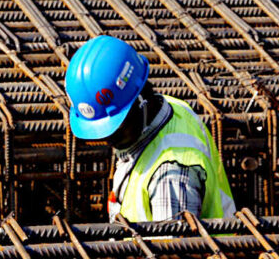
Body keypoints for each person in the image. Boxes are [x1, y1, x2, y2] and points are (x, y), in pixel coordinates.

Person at [65, 35, 236, 222]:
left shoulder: (170, 177)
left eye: (117, 128)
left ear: (140, 102)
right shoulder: (172, 106)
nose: (109, 139)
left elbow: (176, 250)